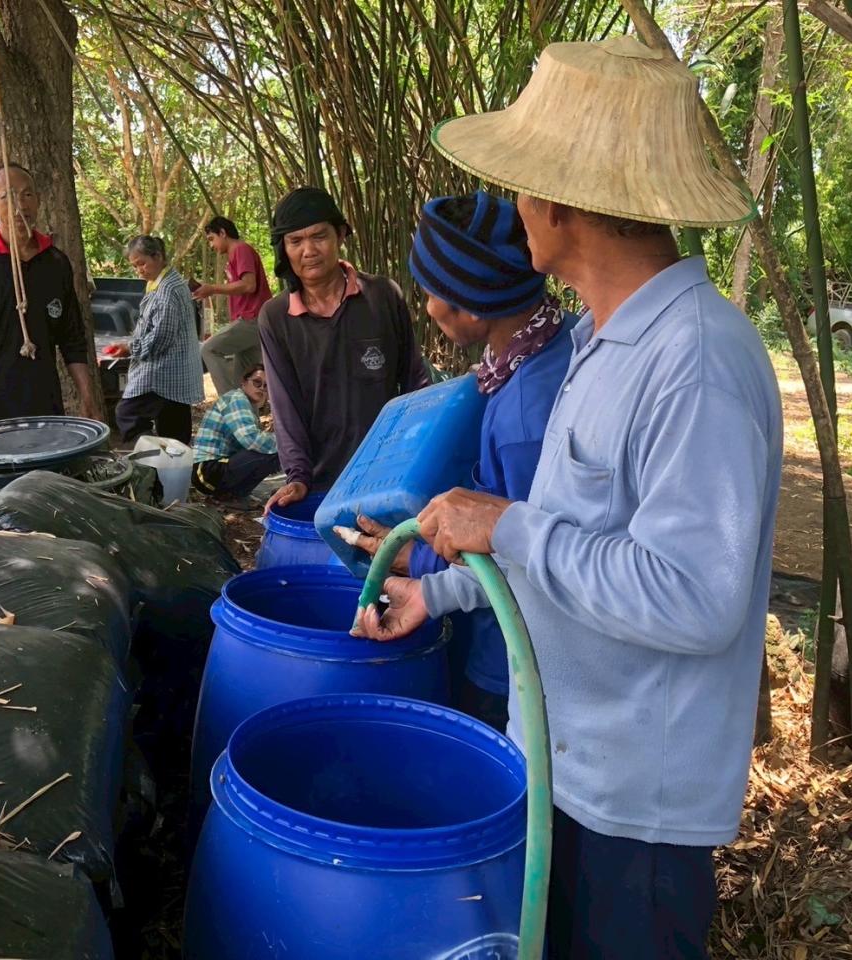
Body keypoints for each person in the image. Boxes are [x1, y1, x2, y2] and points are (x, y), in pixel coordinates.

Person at [354, 36, 780, 960]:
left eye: (520, 187)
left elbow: (694, 598)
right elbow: (568, 552)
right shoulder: (596, 342)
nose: (516, 209)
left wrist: (507, 521)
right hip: (566, 762)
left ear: (558, 200)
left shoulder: (695, 360)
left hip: (637, 807)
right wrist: (445, 587)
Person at [340, 191, 573, 731]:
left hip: (512, 659)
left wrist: (414, 561)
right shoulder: (543, 349)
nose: (425, 308)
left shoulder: (524, 419)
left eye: (429, 293)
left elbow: (524, 556)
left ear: (470, 305)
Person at [259, 187, 429, 511]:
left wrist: (416, 456)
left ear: (340, 234)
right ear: (284, 248)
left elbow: (414, 383)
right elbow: (285, 406)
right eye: (295, 241)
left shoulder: (382, 296)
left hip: (387, 476)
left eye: (319, 236)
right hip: (321, 483)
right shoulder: (276, 317)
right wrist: (298, 476)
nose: (309, 250)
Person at [0, 163, 99, 431]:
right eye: (7, 196)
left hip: (46, 407)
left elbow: (72, 338)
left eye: (27, 195)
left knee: (45, 473)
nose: (20, 205)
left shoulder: (56, 263)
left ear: (38, 201)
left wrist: (88, 399)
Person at [116, 235, 205, 445]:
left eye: (142, 264)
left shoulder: (168, 290)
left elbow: (159, 340)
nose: (139, 271)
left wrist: (130, 348)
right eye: (135, 266)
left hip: (164, 374)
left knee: (127, 414)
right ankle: (168, 473)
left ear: (158, 257)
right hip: (176, 374)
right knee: (174, 434)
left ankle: (154, 457)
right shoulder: (164, 282)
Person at [193, 216, 273, 395]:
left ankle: (231, 404)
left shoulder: (240, 249)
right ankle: (244, 415)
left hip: (252, 319)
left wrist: (212, 288)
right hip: (253, 321)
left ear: (223, 232)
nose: (212, 246)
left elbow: (249, 284)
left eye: (212, 239)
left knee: (209, 348)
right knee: (244, 384)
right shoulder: (234, 255)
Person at [191, 363, 280, 502]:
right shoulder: (237, 399)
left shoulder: (246, 404)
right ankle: (236, 496)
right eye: (257, 382)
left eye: (266, 386)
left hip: (212, 471)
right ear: (244, 382)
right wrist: (287, 442)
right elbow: (252, 439)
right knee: (273, 450)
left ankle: (234, 496)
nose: (262, 388)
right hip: (207, 472)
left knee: (272, 451)